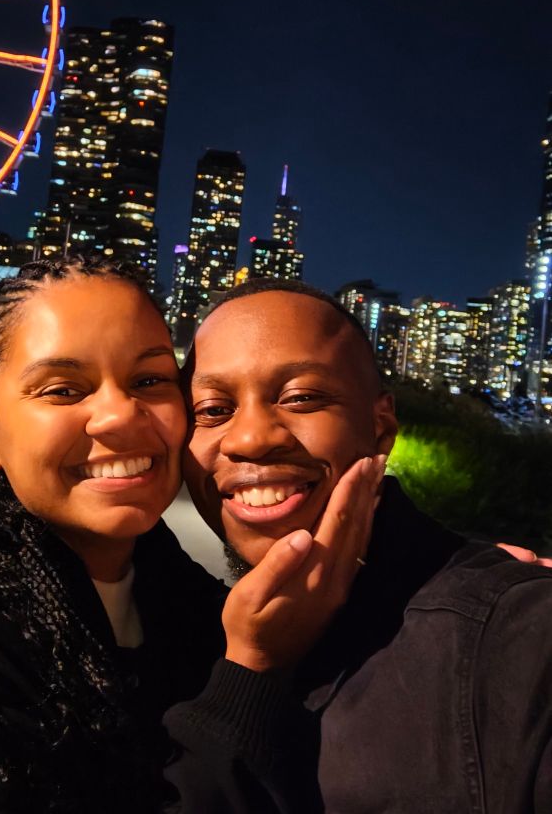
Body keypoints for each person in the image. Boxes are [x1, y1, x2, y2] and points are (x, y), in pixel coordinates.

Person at [0, 257, 378, 814]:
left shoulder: (181, 597)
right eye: (63, 390)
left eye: (149, 379)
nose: (120, 416)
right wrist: (251, 673)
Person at [164, 278, 552, 813]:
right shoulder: (177, 630)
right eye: (211, 410)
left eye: (301, 397)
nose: (250, 437)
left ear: (381, 427)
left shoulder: (521, 639)